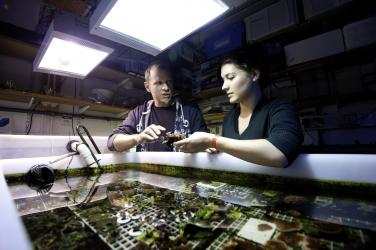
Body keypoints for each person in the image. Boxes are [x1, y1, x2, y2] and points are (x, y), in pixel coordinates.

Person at [175, 51, 303, 167]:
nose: (224, 87)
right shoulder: (230, 118)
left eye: (230, 77)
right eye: (223, 80)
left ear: (254, 74)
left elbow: (280, 154)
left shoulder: (280, 108)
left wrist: (213, 141)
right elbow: (231, 151)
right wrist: (214, 147)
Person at [107, 61, 207, 152]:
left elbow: (206, 142)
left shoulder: (190, 111)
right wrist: (138, 138)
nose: (166, 88)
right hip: (148, 170)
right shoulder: (138, 113)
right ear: (147, 87)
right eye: (159, 83)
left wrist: (206, 146)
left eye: (169, 82)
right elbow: (112, 142)